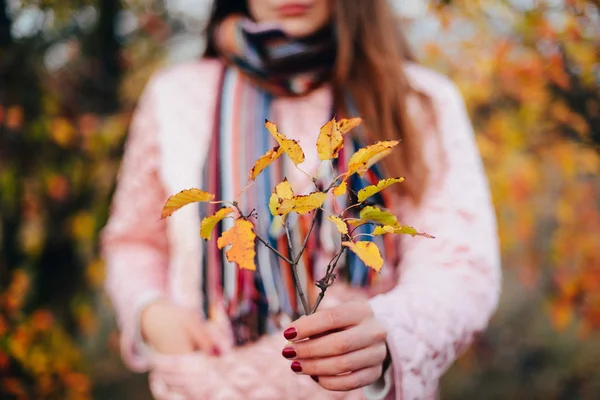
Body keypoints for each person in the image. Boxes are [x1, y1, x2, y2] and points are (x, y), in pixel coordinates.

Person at [100, 0, 502, 399]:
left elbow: (460, 262)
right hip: (207, 385)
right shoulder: (175, 97)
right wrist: (150, 311)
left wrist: (391, 332)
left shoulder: (418, 99)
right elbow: (133, 240)